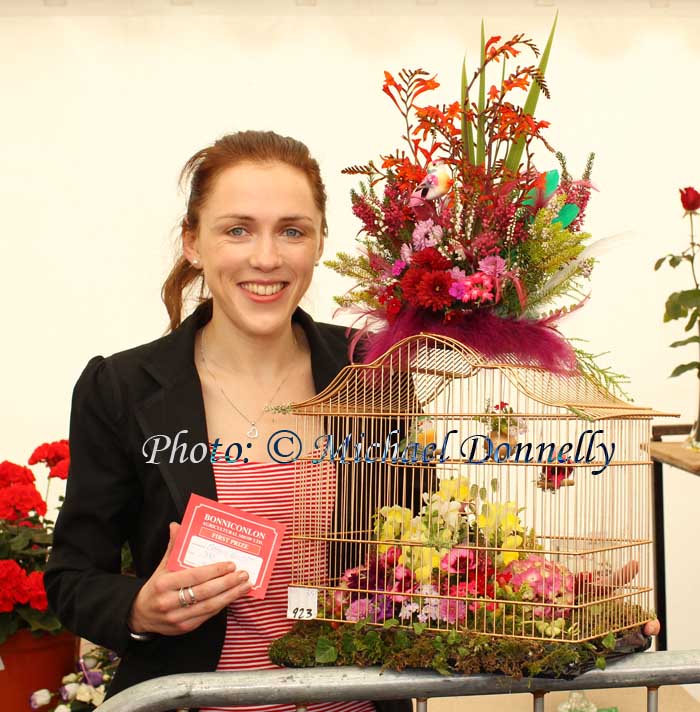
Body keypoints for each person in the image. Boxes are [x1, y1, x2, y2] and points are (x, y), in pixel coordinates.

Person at [44, 130, 413, 712]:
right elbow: (72, 575)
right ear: (193, 243)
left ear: (319, 244)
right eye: (237, 229)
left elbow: (418, 550)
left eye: (292, 230)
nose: (266, 257)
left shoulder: (374, 369)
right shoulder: (121, 388)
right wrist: (140, 608)